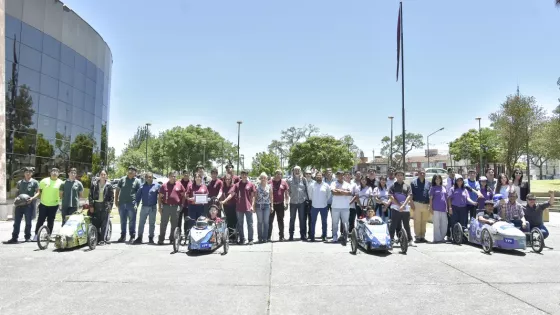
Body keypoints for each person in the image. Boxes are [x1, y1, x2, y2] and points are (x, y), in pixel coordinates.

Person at [222, 170, 256, 245]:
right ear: (240, 175)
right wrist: (224, 201)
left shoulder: (251, 184)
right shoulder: (237, 185)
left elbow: (253, 196)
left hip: (248, 207)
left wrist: (252, 206)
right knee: (240, 224)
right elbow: (231, 194)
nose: (244, 176)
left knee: (250, 224)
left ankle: (250, 239)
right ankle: (242, 239)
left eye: (245, 174)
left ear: (247, 175)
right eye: (242, 174)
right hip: (239, 208)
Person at [6, 167, 39, 243]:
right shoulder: (20, 182)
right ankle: (14, 237)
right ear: (24, 173)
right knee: (16, 222)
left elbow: (38, 192)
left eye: (30, 172)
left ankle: (27, 237)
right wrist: (16, 198)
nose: (28, 173)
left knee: (28, 222)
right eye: (26, 172)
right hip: (19, 205)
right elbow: (17, 192)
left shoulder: (35, 182)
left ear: (32, 173)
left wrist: (32, 198)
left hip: (28, 205)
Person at [33, 168, 63, 241]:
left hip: (54, 205)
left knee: (51, 221)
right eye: (53, 171)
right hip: (43, 204)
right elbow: (39, 192)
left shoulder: (61, 183)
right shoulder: (44, 181)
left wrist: (61, 202)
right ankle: (36, 235)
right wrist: (33, 198)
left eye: (56, 172)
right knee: (40, 220)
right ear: (50, 173)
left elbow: (62, 194)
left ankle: (48, 236)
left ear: (58, 174)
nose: (54, 173)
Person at [115, 166, 142, 243]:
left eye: (133, 170)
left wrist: (137, 203)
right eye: (129, 170)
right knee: (123, 220)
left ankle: (132, 236)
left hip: (132, 204)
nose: (130, 171)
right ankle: (123, 236)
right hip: (122, 203)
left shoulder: (137, 181)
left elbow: (139, 194)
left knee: (132, 221)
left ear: (135, 173)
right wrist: (116, 200)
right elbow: (117, 190)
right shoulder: (122, 179)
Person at [158, 171, 185, 245]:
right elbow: (160, 197)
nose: (174, 177)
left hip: (175, 207)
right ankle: (161, 239)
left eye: (175, 176)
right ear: (169, 177)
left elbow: (183, 195)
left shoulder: (179, 185)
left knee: (174, 224)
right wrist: (159, 207)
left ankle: (172, 239)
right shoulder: (164, 186)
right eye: (172, 176)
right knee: (163, 224)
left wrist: (182, 205)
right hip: (166, 207)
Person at [88, 169, 114, 245]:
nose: (103, 176)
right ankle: (95, 238)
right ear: (99, 175)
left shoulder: (109, 185)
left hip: (104, 206)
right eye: (101, 174)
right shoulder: (94, 184)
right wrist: (91, 206)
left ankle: (103, 240)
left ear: (106, 176)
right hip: (96, 206)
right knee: (95, 222)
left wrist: (110, 207)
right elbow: (90, 196)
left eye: (104, 174)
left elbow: (111, 198)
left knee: (104, 224)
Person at [133, 172, 160, 244]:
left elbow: (161, 196)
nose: (149, 178)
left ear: (152, 177)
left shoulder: (157, 186)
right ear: (145, 178)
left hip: (153, 208)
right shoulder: (142, 187)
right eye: (147, 177)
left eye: (150, 177)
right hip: (144, 207)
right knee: (141, 223)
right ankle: (139, 237)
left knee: (152, 223)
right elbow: (137, 198)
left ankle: (151, 238)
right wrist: (136, 205)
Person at [388, 170, 413, 245]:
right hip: (395, 208)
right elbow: (391, 196)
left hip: (405, 208)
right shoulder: (392, 186)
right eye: (398, 175)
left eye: (401, 175)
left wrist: (403, 205)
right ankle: (391, 239)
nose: (399, 177)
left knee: (406, 225)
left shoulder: (407, 186)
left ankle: (409, 240)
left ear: (403, 176)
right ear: (396, 177)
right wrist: (399, 205)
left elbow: (409, 196)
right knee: (394, 224)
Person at [330, 170, 352, 243]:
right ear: (337, 176)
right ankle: (334, 236)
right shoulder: (333, 183)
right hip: (335, 207)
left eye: (342, 175)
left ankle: (346, 236)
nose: (341, 176)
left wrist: (338, 190)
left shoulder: (347, 184)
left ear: (344, 176)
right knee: (335, 223)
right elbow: (333, 193)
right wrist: (344, 191)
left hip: (345, 206)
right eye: (339, 175)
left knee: (346, 223)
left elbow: (349, 193)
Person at [288, 166, 309, 241]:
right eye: (295, 170)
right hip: (293, 202)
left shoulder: (304, 180)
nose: (297, 171)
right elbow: (288, 191)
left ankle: (303, 235)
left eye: (298, 170)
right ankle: (291, 235)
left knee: (302, 219)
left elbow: (306, 190)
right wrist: (291, 196)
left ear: (300, 171)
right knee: (292, 219)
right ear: (293, 171)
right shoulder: (289, 180)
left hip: (302, 202)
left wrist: (307, 199)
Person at [308, 171, 331, 242]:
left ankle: (324, 236)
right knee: (313, 222)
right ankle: (312, 236)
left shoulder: (326, 185)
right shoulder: (312, 185)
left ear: (322, 177)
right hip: (314, 206)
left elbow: (328, 195)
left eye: (320, 176)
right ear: (315, 177)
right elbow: (310, 195)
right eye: (317, 176)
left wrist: (324, 201)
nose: (319, 177)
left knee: (324, 222)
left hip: (324, 206)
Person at [410, 169, 431, 243]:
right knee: (417, 221)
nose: (422, 174)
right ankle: (418, 237)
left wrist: (430, 205)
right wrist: (411, 203)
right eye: (421, 173)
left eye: (423, 173)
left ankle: (423, 236)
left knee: (424, 221)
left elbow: (430, 194)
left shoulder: (428, 183)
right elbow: (411, 194)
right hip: (417, 204)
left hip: (426, 204)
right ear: (418, 174)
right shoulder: (413, 183)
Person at [268, 170, 289, 242]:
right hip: (271, 204)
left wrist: (287, 202)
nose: (278, 175)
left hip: (280, 204)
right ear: (275, 174)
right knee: (270, 221)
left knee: (280, 221)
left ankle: (281, 236)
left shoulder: (284, 183)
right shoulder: (270, 182)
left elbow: (286, 194)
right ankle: (268, 237)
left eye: (280, 174)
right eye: (277, 174)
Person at [429, 175, 448, 243]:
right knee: (436, 224)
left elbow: (446, 198)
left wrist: (448, 207)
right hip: (435, 208)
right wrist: (430, 207)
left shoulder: (443, 188)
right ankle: (437, 239)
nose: (438, 180)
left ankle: (442, 237)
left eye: (439, 179)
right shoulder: (433, 188)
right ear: (434, 180)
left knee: (444, 224)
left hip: (443, 208)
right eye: (436, 179)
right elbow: (430, 199)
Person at [254, 172, 273, 243]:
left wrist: (272, 206)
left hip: (267, 206)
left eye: (264, 178)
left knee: (266, 222)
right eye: (262, 178)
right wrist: (254, 206)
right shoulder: (257, 186)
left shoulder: (269, 186)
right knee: (260, 222)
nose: (263, 179)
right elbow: (255, 197)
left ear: (267, 178)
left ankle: (265, 238)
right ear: (260, 179)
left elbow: (271, 197)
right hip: (259, 206)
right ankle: (260, 238)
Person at [221, 174, 237, 242]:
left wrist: (224, 201)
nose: (227, 180)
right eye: (226, 179)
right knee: (227, 221)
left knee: (233, 221)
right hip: (226, 206)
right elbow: (220, 193)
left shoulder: (233, 186)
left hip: (233, 206)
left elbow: (231, 194)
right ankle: (228, 236)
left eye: (229, 179)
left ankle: (233, 237)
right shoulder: (223, 186)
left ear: (231, 179)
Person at [177, 170, 192, 236]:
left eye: (187, 175)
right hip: (180, 204)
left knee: (187, 220)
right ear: (182, 175)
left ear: (189, 175)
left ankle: (186, 234)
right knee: (178, 220)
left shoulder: (191, 183)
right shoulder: (179, 182)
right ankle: (178, 234)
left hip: (188, 204)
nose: (186, 176)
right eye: (185, 175)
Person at [303, 170, 314, 238]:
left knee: (311, 219)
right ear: (305, 174)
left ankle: (310, 233)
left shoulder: (314, 182)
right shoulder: (302, 181)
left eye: (309, 174)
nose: (308, 175)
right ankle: (304, 234)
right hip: (303, 202)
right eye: (306, 173)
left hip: (311, 202)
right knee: (303, 219)